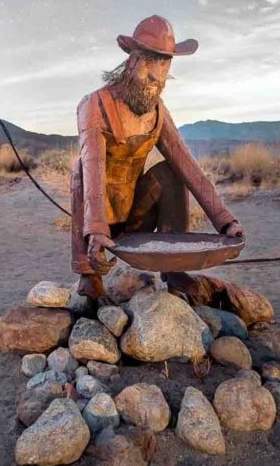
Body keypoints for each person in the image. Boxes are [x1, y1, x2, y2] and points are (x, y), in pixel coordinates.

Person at [71, 15, 246, 298]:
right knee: (80, 170)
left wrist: (226, 221)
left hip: (135, 216)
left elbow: (187, 165)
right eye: (150, 61)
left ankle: (174, 269)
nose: (157, 74)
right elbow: (93, 165)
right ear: (131, 61)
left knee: (171, 172)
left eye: (164, 63)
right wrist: (95, 227)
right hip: (99, 219)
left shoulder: (158, 111)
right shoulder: (95, 105)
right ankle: (88, 273)